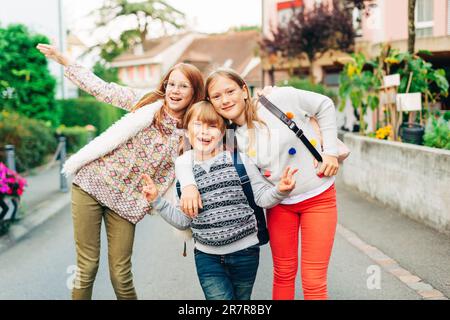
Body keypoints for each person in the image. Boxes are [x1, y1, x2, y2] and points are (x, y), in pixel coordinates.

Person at [36, 43, 204, 300]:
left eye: (183, 86)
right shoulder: (148, 102)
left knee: (120, 273)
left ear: (194, 92)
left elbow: (221, 135)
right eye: (171, 83)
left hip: (129, 201)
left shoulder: (193, 130)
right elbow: (103, 89)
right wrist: (64, 59)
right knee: (87, 266)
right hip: (92, 185)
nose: (175, 90)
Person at [177, 68, 339, 300]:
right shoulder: (229, 137)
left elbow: (324, 104)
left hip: (318, 196)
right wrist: (189, 185)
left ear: (244, 90)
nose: (225, 100)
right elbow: (187, 153)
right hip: (279, 205)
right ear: (211, 102)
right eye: (217, 96)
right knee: (283, 274)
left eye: (230, 91)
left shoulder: (278, 99)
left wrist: (330, 153)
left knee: (313, 280)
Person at [141, 101, 298, 300]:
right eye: (198, 124)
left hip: (245, 253)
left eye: (212, 126)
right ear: (187, 132)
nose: (204, 132)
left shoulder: (240, 161)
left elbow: (262, 198)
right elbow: (183, 221)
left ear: (223, 132)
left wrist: (280, 190)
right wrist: (157, 200)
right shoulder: (183, 173)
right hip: (207, 258)